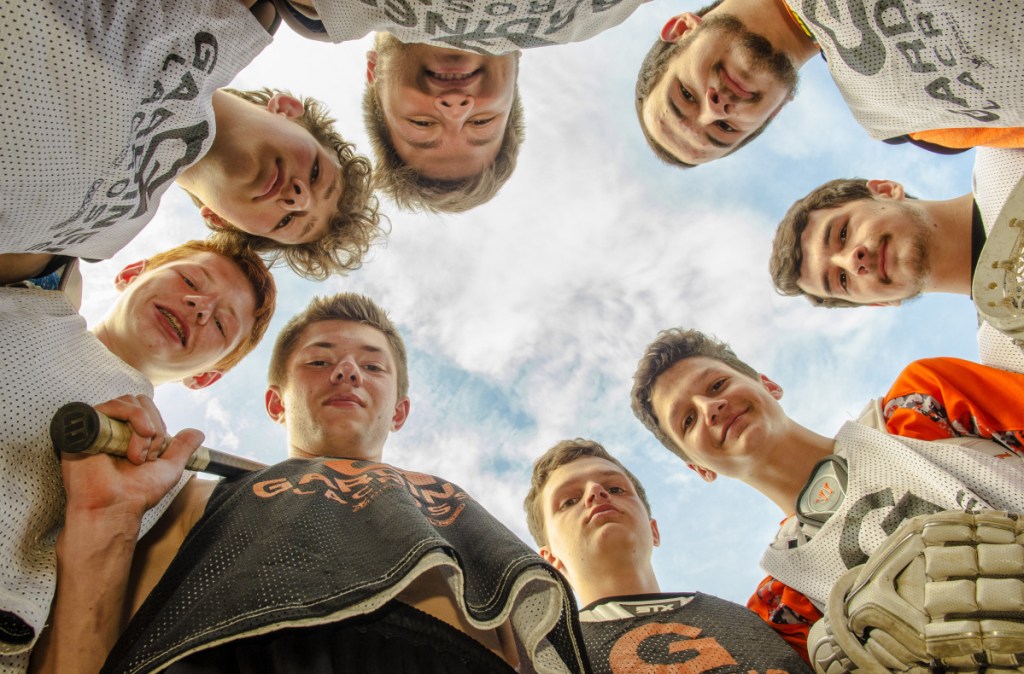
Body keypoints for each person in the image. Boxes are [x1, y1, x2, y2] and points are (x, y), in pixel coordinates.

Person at [33, 293, 588, 674]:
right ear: (276, 401)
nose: (346, 371)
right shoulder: (192, 496)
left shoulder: (456, 514)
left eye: (372, 367)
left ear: (400, 410)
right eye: (319, 361)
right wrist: (101, 522)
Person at [629, 328, 1024, 659]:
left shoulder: (920, 403)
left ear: (768, 384)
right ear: (700, 468)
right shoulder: (783, 606)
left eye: (717, 385)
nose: (710, 407)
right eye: (688, 419)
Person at [0, 239, 276, 674]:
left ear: (205, 377)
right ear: (130, 273)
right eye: (189, 280)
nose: (199, 307)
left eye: (221, 324)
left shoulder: (163, 487)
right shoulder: (27, 286)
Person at [1, 0, 382, 282]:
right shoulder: (239, 19)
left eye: (286, 221)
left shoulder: (96, 241)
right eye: (316, 172)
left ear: (217, 220)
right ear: (286, 108)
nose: (298, 198)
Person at [523, 438, 813, 672]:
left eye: (615, 488)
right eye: (569, 501)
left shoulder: (763, 619)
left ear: (654, 532)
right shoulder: (545, 659)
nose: (596, 493)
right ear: (552, 562)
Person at [635, 0, 1024, 166]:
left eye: (685, 94)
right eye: (724, 129)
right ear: (771, 116)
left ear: (681, 29)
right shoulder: (904, 123)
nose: (714, 109)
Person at [769, 147, 1024, 374]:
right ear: (880, 303)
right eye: (842, 279)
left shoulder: (1007, 147)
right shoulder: (1008, 362)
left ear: (886, 190)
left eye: (843, 233)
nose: (852, 262)